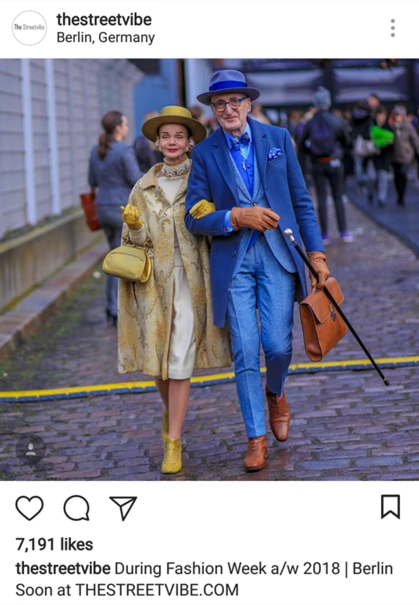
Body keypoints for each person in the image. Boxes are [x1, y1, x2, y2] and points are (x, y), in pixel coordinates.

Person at [184, 70, 331, 472]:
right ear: (212, 110)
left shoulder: (278, 139)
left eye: (235, 101)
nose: (228, 109)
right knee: (246, 349)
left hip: (278, 256)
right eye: (220, 104)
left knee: (278, 346)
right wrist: (233, 216)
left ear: (249, 104)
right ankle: (255, 437)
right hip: (233, 262)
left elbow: (301, 202)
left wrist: (317, 255)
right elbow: (193, 217)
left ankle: (275, 392)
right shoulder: (205, 152)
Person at [117, 106, 231, 474]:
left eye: (179, 136)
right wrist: (135, 226)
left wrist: (211, 214)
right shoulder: (142, 187)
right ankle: (170, 414)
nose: (171, 142)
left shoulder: (203, 178)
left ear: (190, 142)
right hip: (153, 284)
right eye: (165, 136)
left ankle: (173, 441)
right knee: (159, 359)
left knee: (180, 359)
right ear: (156, 141)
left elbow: (219, 225)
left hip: (193, 281)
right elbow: (133, 242)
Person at [89, 111, 142, 325]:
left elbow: (92, 180)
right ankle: (118, 307)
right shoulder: (124, 150)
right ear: (118, 128)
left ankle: (112, 306)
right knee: (123, 260)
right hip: (121, 209)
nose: (127, 128)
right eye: (125, 124)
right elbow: (136, 178)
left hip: (102, 208)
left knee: (114, 256)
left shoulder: (96, 151)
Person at [299, 87, 353, 244]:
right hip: (334, 162)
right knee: (338, 197)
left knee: (321, 199)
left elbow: (302, 145)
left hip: (318, 164)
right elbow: (347, 141)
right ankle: (343, 231)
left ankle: (324, 234)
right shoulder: (336, 120)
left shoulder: (310, 122)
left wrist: (310, 155)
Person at [390, 105, 419, 206]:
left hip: (406, 155)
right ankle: (399, 194)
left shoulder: (408, 127)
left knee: (403, 174)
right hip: (394, 155)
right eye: (395, 115)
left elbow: (415, 140)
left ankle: (402, 196)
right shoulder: (392, 127)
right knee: (396, 176)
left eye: (399, 115)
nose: (397, 117)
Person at [366, 106, 394, 207]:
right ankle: (370, 192)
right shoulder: (371, 125)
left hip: (384, 157)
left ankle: (381, 199)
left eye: (383, 115)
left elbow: (392, 140)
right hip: (373, 157)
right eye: (380, 115)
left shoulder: (388, 127)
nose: (382, 117)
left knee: (383, 178)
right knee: (371, 177)